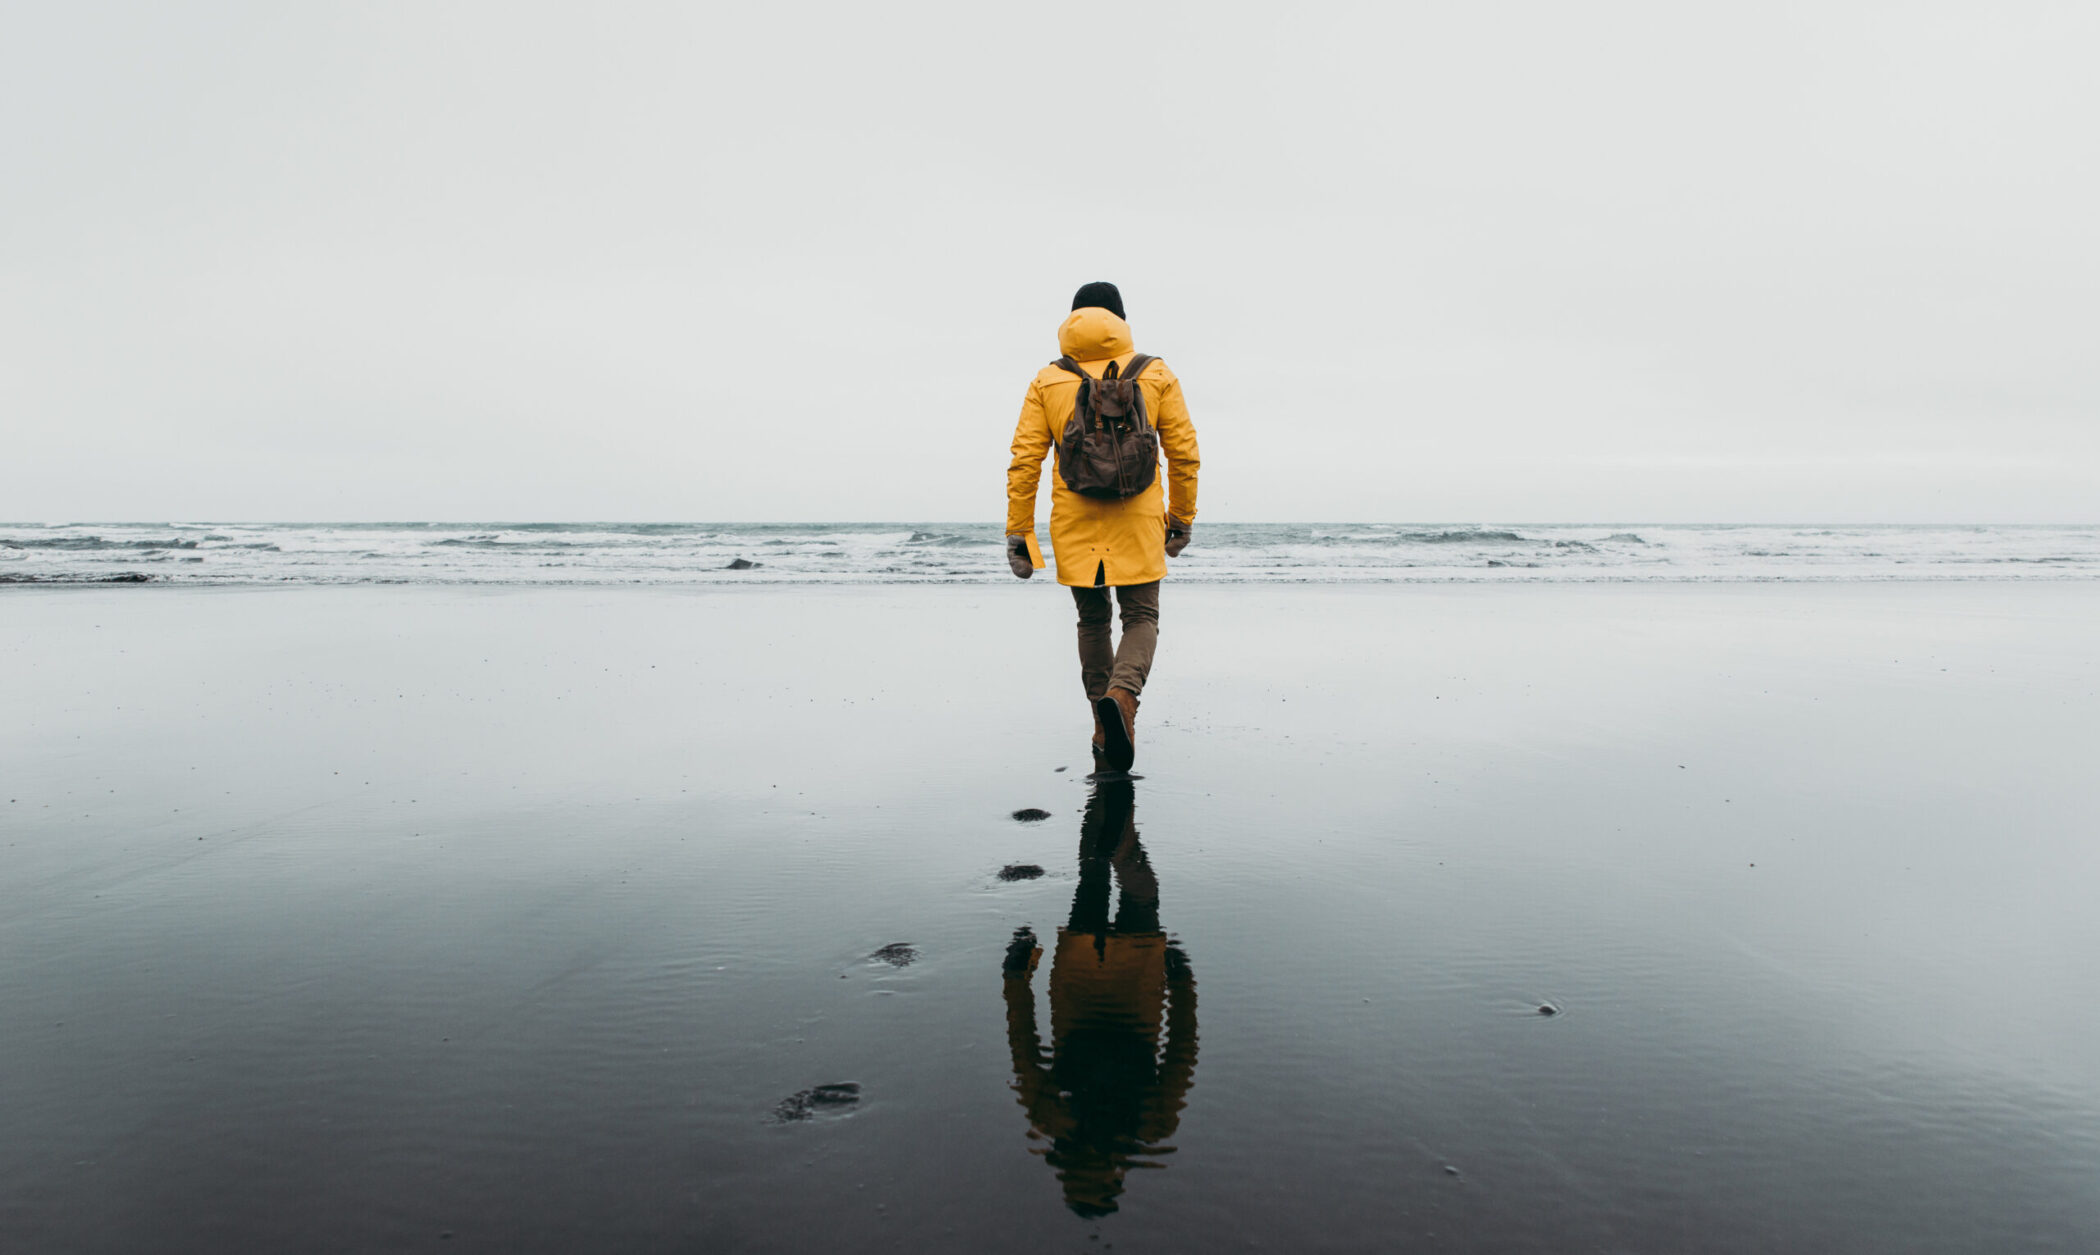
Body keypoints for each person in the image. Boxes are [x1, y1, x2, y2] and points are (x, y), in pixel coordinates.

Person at [1005, 282, 1201, 771]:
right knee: (1141, 617)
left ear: (1072, 320)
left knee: (1093, 621)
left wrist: (1020, 533)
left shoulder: (1048, 380)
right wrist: (1181, 517)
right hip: (1139, 517)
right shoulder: (1155, 373)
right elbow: (1184, 453)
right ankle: (1124, 698)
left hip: (1076, 521)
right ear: (1121, 320)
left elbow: (1025, 460)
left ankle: (1101, 721)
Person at [1001, 780, 1198, 1216]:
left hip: (1137, 981)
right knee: (1091, 879)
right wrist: (1017, 975)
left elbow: (1181, 1052)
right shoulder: (1051, 1120)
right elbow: (1023, 1045)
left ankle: (1119, 833)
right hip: (1079, 979)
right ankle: (1104, 805)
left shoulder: (1151, 1127)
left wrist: (1183, 986)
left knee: (1141, 894)